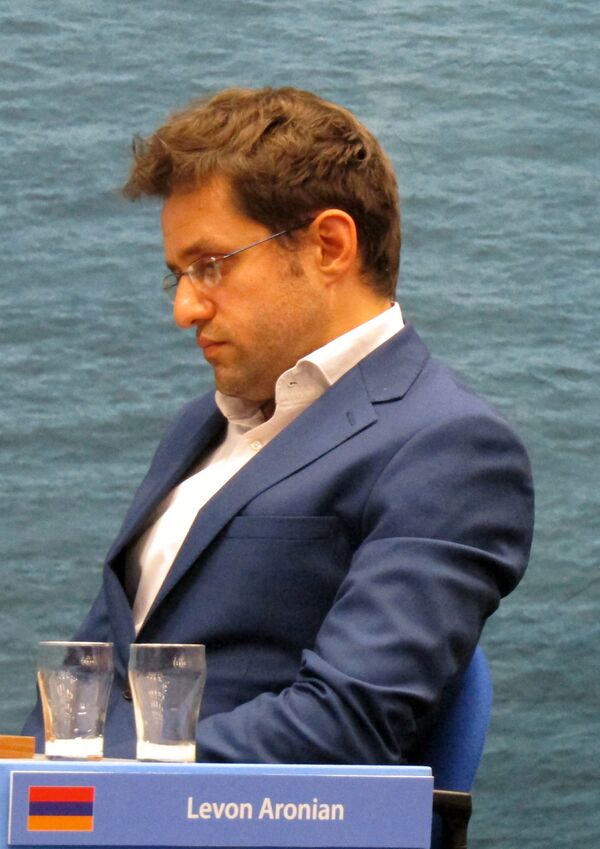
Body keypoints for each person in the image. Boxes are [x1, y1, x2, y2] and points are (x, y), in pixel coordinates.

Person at [24, 87, 534, 763]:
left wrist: (100, 785)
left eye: (210, 265)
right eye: (178, 275)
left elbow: (344, 727)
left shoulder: (450, 448)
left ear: (329, 245)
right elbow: (90, 683)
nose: (184, 308)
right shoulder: (196, 427)